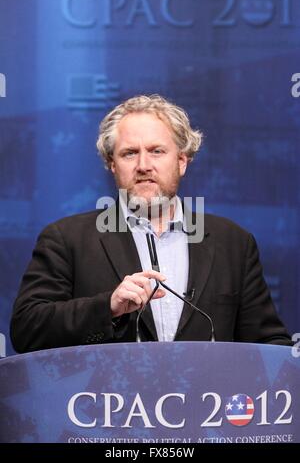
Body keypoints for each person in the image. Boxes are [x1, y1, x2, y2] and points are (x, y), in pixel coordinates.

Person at [10, 95, 292, 352]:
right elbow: (27, 330)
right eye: (129, 153)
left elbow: (268, 344)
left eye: (157, 151)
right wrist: (108, 307)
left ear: (182, 161)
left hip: (206, 405)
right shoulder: (66, 239)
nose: (143, 165)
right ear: (112, 164)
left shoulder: (233, 243)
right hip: (107, 405)